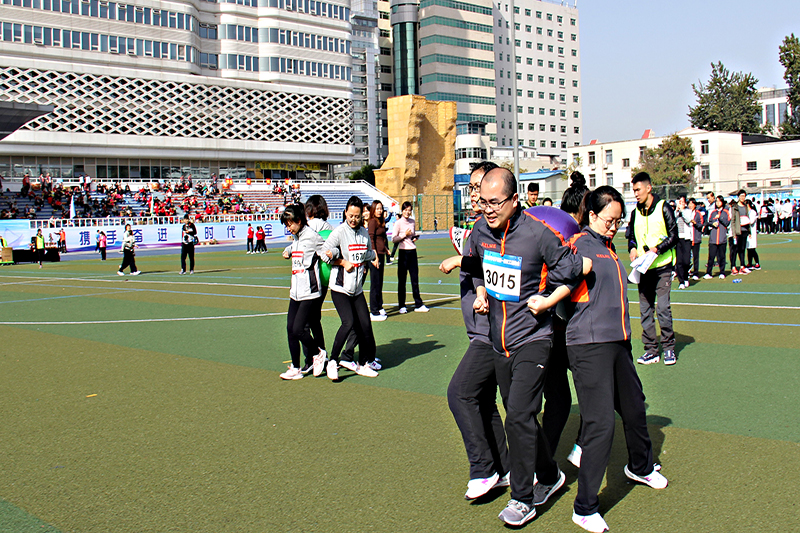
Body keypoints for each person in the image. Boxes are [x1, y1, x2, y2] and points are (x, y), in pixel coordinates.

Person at [464, 167, 589, 526]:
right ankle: (550, 476)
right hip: (497, 341)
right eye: (483, 202)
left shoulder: (537, 233)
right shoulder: (479, 232)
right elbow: (475, 265)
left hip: (534, 339)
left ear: (514, 200)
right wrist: (482, 290)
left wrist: (549, 301)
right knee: (521, 419)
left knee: (518, 415)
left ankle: (523, 498)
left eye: (495, 202)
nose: (487, 209)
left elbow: (571, 269)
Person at [566, 186, 668, 533]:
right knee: (600, 424)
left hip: (618, 343)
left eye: (618, 221)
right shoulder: (579, 245)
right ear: (592, 216)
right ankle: (585, 506)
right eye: (609, 220)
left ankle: (639, 466)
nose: (614, 226)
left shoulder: (608, 248)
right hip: (589, 345)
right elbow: (561, 289)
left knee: (635, 407)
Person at [439, 161, 510, 501]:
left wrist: (464, 266)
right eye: (471, 189)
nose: (475, 195)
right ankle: (506, 467)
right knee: (483, 402)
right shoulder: (479, 228)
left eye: (480, 188)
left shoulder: (493, 229)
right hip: (480, 330)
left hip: (490, 334)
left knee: (460, 393)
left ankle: (484, 468)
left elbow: (498, 263)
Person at [319, 196, 379, 380]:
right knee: (348, 322)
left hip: (357, 289)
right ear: (345, 212)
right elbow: (323, 253)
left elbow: (366, 252)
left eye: (357, 216)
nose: (353, 219)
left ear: (362, 216)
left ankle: (362, 364)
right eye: (351, 215)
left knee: (365, 325)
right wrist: (342, 261)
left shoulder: (362, 233)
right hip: (340, 288)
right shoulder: (339, 232)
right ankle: (333, 361)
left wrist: (373, 256)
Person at [625, 172, 678, 365]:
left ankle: (669, 348)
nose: (636, 194)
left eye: (638, 189)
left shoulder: (664, 208)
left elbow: (674, 236)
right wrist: (632, 248)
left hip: (662, 267)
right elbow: (630, 235)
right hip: (643, 269)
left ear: (649, 188)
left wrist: (658, 249)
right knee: (645, 310)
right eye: (634, 190)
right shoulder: (635, 212)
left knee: (663, 308)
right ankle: (651, 350)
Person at [279, 204, 326, 380]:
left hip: (310, 292)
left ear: (299, 220)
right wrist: (288, 250)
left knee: (299, 329)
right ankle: (296, 368)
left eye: (290, 224)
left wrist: (333, 255)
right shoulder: (297, 238)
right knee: (290, 329)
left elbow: (326, 249)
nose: (288, 228)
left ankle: (318, 353)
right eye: (286, 225)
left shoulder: (313, 237)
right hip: (295, 291)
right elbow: (296, 247)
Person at [392, 201, 428, 313]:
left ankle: (418, 304)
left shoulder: (412, 222)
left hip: (412, 252)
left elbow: (411, 236)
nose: (407, 212)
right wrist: (404, 235)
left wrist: (414, 237)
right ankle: (401, 305)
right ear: (402, 211)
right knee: (402, 280)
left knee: (415, 279)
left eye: (409, 210)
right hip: (403, 253)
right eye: (405, 210)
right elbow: (394, 239)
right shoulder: (398, 223)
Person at [368, 200, 389, 321]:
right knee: (375, 283)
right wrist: (374, 256)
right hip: (375, 255)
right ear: (373, 210)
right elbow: (371, 239)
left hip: (381, 254)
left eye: (381, 209)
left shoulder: (380, 222)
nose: (379, 211)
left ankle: (379, 306)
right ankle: (374, 311)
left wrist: (385, 249)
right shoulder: (372, 222)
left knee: (379, 282)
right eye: (377, 209)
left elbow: (381, 238)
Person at [703, 196, 729, 279]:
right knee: (711, 256)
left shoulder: (726, 212)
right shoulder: (713, 212)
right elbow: (708, 222)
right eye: (716, 201)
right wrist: (712, 224)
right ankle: (708, 272)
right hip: (713, 238)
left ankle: (722, 272)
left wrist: (720, 218)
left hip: (722, 238)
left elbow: (727, 223)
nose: (718, 203)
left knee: (722, 256)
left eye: (719, 201)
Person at [674, 195, 691, 290]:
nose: (680, 204)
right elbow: (672, 221)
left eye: (682, 202)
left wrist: (682, 211)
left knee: (686, 261)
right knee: (679, 261)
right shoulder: (675, 212)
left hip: (686, 238)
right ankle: (681, 281)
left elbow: (688, 220)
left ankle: (685, 277)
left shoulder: (688, 211)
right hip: (678, 239)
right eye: (679, 202)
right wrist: (676, 211)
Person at [687, 198, 704, 281]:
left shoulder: (698, 213)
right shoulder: (686, 213)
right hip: (687, 238)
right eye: (689, 204)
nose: (690, 205)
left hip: (696, 238)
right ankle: (687, 272)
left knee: (695, 256)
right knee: (686, 257)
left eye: (692, 204)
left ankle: (696, 273)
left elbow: (701, 225)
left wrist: (695, 223)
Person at [746, 199, 761, 270]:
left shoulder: (752, 212)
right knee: (748, 249)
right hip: (748, 233)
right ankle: (750, 263)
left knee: (752, 249)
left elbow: (751, 221)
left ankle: (757, 263)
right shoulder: (748, 212)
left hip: (752, 233)